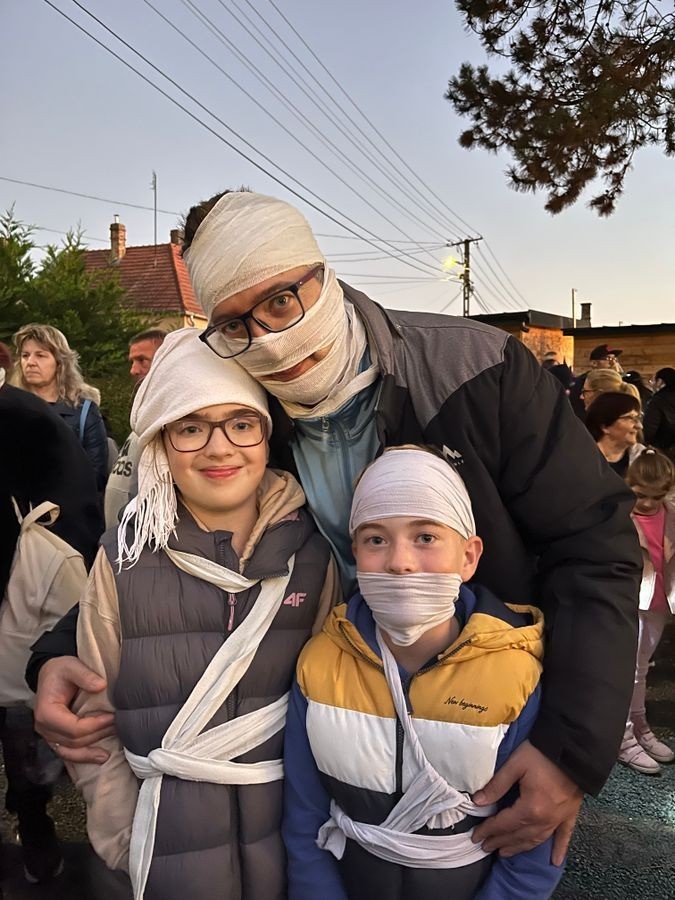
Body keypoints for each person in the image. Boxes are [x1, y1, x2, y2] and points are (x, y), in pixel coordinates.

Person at [29, 191, 641, 866]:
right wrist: (59, 649)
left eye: (281, 301)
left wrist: (568, 749)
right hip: (324, 736)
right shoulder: (251, 408)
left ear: (318, 271)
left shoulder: (475, 371)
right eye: (235, 323)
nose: (267, 339)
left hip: (475, 723)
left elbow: (592, 547)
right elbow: (175, 540)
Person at [67, 329, 339, 900]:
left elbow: (333, 706)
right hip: (155, 849)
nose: (220, 449)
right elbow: (94, 710)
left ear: (267, 436)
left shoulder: (314, 553)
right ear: (162, 443)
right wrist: (122, 832)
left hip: (288, 849)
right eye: (191, 427)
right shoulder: (122, 557)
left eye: (241, 424)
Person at [284, 446, 563, 900]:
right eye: (376, 539)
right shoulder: (319, 664)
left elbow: (533, 833)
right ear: (355, 553)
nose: (401, 562)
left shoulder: (517, 671)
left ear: (469, 556)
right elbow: (304, 816)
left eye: (426, 537)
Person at [0, 367, 103, 885]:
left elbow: (76, 497)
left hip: (31, 581)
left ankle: (36, 825)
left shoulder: (23, 415)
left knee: (23, 730)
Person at [617, 448, 675, 775]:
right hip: (630, 601)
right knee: (627, 668)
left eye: (657, 495)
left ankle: (638, 724)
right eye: (641, 495)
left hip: (658, 602)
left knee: (641, 668)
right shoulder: (621, 516)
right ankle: (622, 735)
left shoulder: (670, 513)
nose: (649, 503)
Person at [11, 323, 109, 491]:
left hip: (68, 511)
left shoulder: (83, 411)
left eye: (40, 355)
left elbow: (96, 475)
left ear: (59, 362)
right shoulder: (9, 407)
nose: (30, 362)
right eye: (25, 355)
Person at [104, 329, 168, 527]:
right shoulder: (144, 414)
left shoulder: (170, 421)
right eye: (132, 361)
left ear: (167, 360)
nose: (133, 370)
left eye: (142, 360)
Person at [585, 392, 644, 477]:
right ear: (605, 427)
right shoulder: (582, 460)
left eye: (638, 418)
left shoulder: (642, 458)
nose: (639, 426)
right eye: (630, 418)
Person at [569, 343, 623, 418]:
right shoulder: (583, 382)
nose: (613, 363)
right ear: (594, 363)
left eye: (615, 359)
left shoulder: (618, 381)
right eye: (608, 358)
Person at [643, 367, 675, 458]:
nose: (652, 384)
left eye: (653, 381)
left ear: (660, 381)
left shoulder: (658, 400)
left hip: (666, 450)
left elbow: (649, 429)